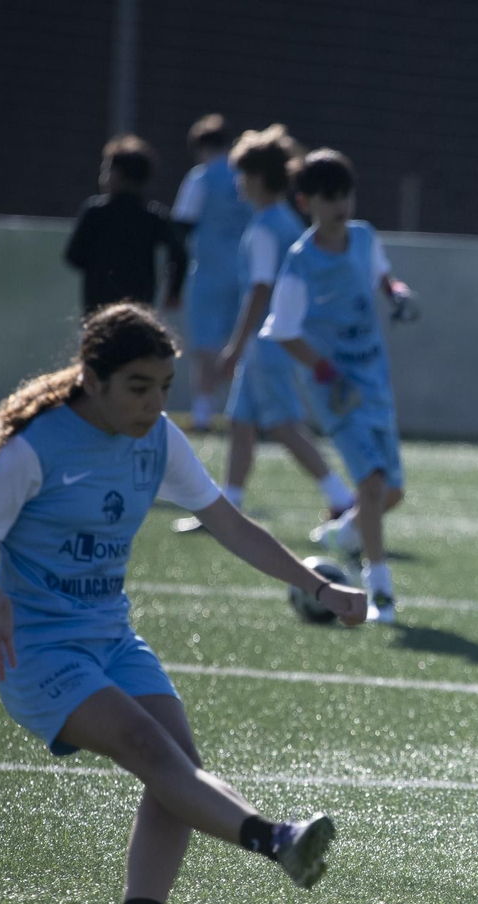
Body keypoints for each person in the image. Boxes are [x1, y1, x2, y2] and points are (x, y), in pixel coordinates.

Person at [0, 303, 366, 904]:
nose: (154, 402)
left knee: (179, 771)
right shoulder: (34, 448)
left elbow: (229, 524)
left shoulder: (158, 438)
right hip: (39, 649)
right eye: (139, 386)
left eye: (165, 386)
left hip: (112, 637)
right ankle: (275, 840)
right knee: (149, 749)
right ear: (93, 379)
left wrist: (317, 586)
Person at [260, 149, 418, 624]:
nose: (339, 204)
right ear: (306, 201)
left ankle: (341, 536)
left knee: (391, 492)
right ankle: (381, 593)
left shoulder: (364, 238)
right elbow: (283, 330)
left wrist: (396, 294)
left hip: (374, 381)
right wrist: (327, 372)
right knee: (370, 484)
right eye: (328, 197)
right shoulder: (300, 261)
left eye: (344, 193)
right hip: (336, 392)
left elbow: (382, 278)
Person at [172, 125, 354, 534]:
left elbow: (260, 288)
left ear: (255, 179)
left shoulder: (265, 227)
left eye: (241, 174)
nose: (237, 182)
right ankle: (229, 507)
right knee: (242, 422)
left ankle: (342, 498)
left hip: (268, 342)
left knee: (283, 424)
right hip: (274, 340)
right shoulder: (283, 220)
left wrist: (235, 346)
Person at [170, 114, 252, 433]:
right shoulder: (246, 177)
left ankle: (203, 413)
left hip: (208, 271)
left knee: (205, 346)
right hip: (245, 273)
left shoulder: (200, 178)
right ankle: (242, 413)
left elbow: (182, 227)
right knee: (240, 344)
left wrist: (173, 280)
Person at [64, 134, 188, 314]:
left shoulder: (94, 212)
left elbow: (73, 256)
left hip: (98, 307)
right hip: (139, 307)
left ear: (118, 174)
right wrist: (173, 291)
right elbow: (180, 254)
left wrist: (100, 266)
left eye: (106, 170)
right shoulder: (153, 216)